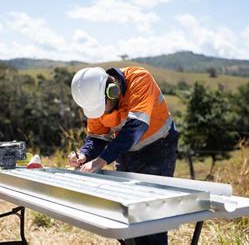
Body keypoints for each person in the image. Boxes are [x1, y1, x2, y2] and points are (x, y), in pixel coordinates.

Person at [68, 66, 179, 245]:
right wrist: (84, 154)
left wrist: (100, 160)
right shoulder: (96, 99)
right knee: (126, 211)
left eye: (102, 108)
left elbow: (136, 128)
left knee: (150, 214)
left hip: (157, 149)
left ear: (113, 91)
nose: (101, 114)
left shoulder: (139, 79)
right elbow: (97, 137)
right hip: (124, 150)